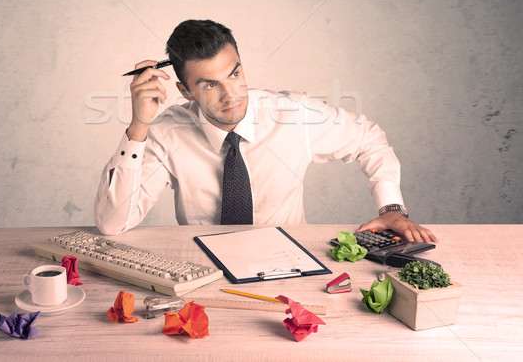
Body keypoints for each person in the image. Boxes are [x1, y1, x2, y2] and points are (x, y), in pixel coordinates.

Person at [94, 19, 437, 245]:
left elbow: (369, 139)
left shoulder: (292, 115)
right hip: (203, 271)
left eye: (235, 74)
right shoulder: (167, 134)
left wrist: (391, 207)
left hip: (291, 264)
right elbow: (112, 224)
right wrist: (139, 126)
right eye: (210, 84)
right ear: (186, 92)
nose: (230, 94)